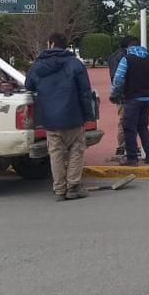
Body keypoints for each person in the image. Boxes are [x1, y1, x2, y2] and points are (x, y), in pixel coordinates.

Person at [25, 32, 94, 200]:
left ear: (50, 44)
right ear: (65, 45)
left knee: (55, 154)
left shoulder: (38, 66)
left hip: (50, 118)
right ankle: (73, 186)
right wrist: (88, 116)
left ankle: (59, 189)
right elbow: (85, 92)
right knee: (76, 151)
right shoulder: (75, 64)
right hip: (73, 115)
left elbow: (28, 85)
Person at [110, 40, 149, 166]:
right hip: (147, 98)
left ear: (129, 48)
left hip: (132, 98)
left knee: (129, 127)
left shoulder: (127, 59)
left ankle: (132, 157)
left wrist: (115, 94)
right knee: (143, 126)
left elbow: (118, 79)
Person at [107, 36, 134, 159]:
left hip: (122, 94)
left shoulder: (114, 57)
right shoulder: (124, 58)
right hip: (125, 94)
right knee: (125, 120)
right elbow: (117, 78)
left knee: (125, 120)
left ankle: (125, 145)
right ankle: (123, 146)